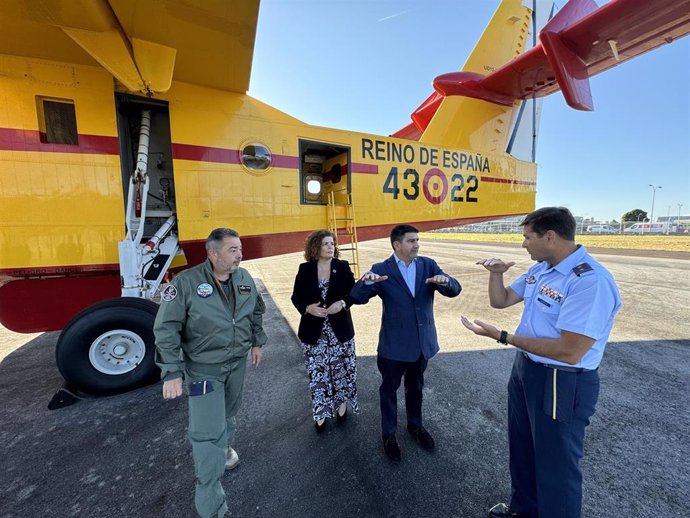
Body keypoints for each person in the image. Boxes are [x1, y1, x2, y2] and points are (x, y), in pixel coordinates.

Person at [461, 207, 621, 518]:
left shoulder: (590, 282)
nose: (523, 244)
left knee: (556, 466)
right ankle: (523, 510)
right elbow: (501, 300)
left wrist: (503, 336)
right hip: (527, 369)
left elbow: (569, 351)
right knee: (522, 450)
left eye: (527, 237)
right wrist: (497, 275)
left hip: (562, 378)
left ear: (550, 236)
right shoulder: (543, 269)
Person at [154, 228, 267, 518]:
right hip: (204, 369)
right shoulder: (185, 283)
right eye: (233, 250)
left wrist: (257, 342)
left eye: (240, 249)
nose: (240, 254)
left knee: (229, 413)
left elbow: (255, 311)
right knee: (207, 435)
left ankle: (226, 450)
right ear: (213, 254)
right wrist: (171, 372)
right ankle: (212, 506)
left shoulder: (244, 279)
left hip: (237, 364)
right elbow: (166, 328)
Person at [350, 224, 461, 462]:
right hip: (393, 346)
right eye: (411, 241)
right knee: (389, 391)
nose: (417, 245)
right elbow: (357, 297)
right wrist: (366, 282)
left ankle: (415, 426)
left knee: (416, 388)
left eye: (418, 240)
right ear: (396, 245)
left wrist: (445, 281)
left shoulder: (428, 265)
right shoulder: (382, 269)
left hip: (421, 344)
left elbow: (455, 290)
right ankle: (388, 434)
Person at [291, 229, 359, 432]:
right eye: (326, 244)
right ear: (315, 247)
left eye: (332, 243)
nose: (331, 247)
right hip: (314, 333)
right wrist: (307, 308)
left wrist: (343, 303)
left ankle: (341, 405)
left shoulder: (342, 266)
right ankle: (321, 412)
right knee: (318, 373)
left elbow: (353, 293)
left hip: (340, 332)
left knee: (340, 371)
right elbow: (296, 297)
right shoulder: (305, 269)